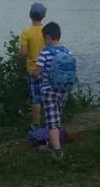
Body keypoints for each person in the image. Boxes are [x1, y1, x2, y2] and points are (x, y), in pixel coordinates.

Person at [30, 22, 73, 161]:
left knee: (52, 120)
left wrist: (32, 73)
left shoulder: (46, 52)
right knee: (57, 117)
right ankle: (53, 143)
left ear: (48, 37)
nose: (43, 41)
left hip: (49, 91)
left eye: (44, 38)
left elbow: (37, 72)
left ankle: (57, 151)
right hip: (64, 90)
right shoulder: (67, 51)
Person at [20, 2, 46, 132]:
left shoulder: (26, 33)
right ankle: (51, 121)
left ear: (30, 15)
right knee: (47, 95)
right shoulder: (46, 32)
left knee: (36, 98)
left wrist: (27, 54)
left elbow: (24, 53)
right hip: (46, 69)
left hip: (33, 70)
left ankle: (36, 124)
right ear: (43, 16)